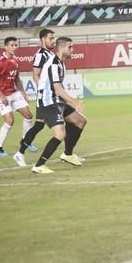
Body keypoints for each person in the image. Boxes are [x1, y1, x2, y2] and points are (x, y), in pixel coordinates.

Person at [20, 28, 87, 163]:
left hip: (55, 100)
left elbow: (57, 87)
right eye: (70, 47)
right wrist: (74, 102)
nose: (73, 50)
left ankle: (68, 154)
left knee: (80, 120)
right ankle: (34, 161)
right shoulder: (52, 62)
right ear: (61, 48)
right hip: (48, 101)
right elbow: (56, 88)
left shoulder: (60, 62)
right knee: (56, 132)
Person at [0, 37, 33, 163]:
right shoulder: (0, 61)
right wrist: (2, 96)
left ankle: (25, 141)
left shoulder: (16, 60)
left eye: (16, 45)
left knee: (28, 115)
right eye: (12, 45)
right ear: (5, 47)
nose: (15, 47)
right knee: (10, 120)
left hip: (14, 93)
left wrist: (23, 92)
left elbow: (16, 78)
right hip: (1, 95)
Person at [17, 28, 56, 156]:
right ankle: (68, 153)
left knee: (39, 125)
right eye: (51, 38)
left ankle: (20, 152)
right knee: (69, 121)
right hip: (46, 97)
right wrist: (46, 90)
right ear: (43, 39)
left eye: (54, 38)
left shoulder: (51, 54)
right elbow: (35, 76)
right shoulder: (40, 55)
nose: (53, 41)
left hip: (52, 96)